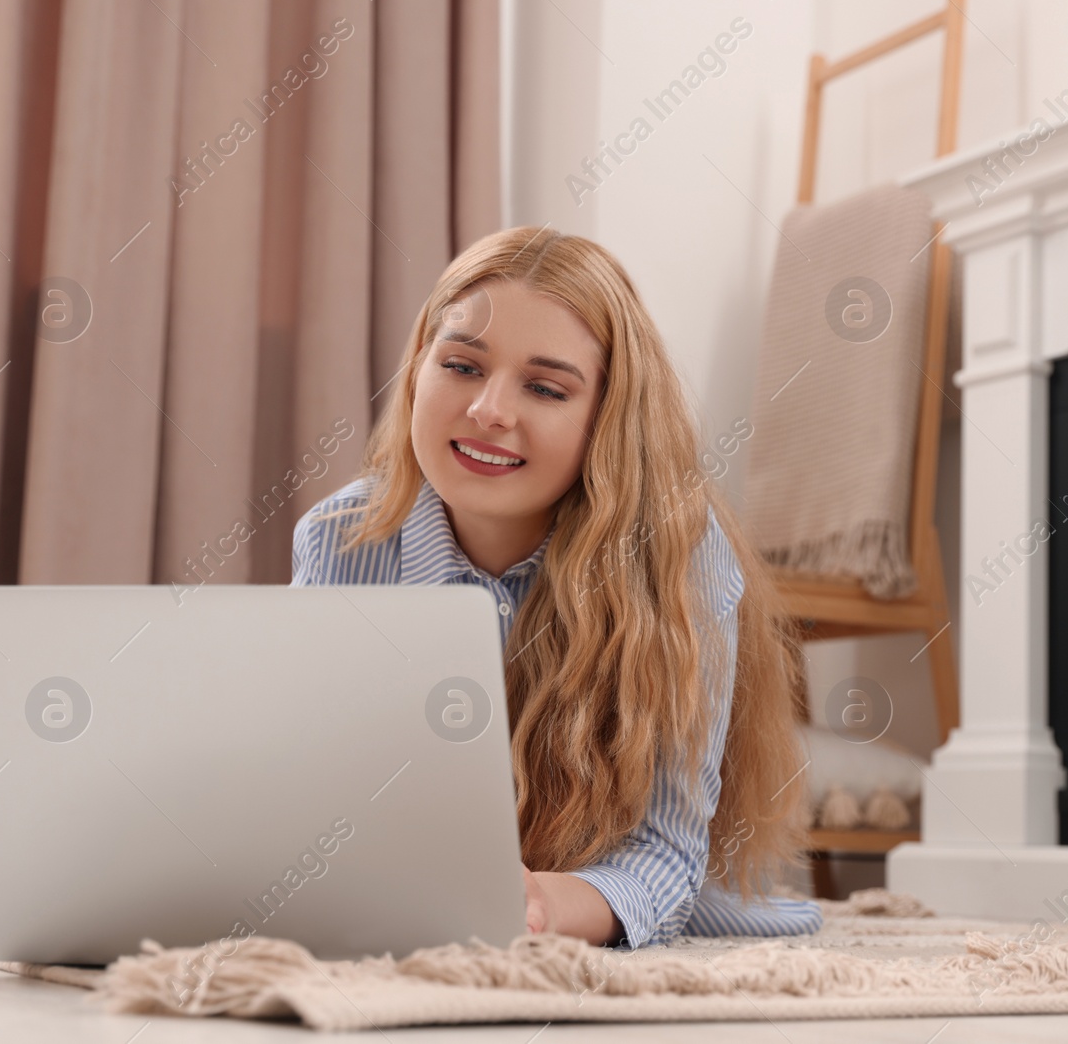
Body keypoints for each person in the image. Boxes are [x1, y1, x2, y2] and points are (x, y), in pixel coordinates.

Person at [290, 226, 822, 950]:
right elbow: (310, 792)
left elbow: (662, 858)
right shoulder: (337, 540)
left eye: (544, 387)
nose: (489, 410)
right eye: (462, 365)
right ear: (418, 370)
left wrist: (538, 901)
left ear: (607, 420)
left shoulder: (679, 558)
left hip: (582, 904)